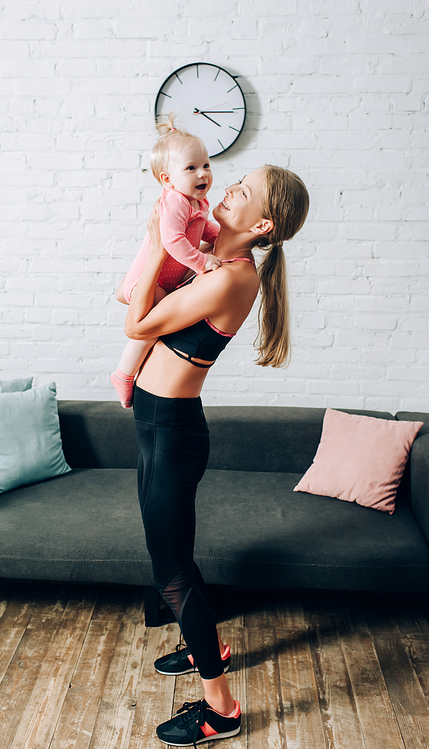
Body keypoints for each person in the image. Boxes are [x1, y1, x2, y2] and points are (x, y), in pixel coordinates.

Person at [119, 165, 309, 746]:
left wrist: (154, 243)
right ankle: (212, 645)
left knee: (171, 572)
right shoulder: (214, 258)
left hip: (173, 431)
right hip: (157, 423)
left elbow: (137, 320)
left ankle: (221, 709)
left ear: (264, 225)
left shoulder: (229, 278)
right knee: (171, 560)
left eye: (243, 192)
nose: (227, 189)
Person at [111, 117, 221, 408]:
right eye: (191, 168)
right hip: (148, 280)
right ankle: (123, 374)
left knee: (160, 327)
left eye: (206, 165)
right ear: (167, 180)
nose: (203, 174)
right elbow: (172, 240)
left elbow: (204, 229)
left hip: (164, 282)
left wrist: (226, 236)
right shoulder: (175, 202)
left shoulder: (198, 203)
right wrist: (201, 262)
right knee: (150, 328)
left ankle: (134, 372)